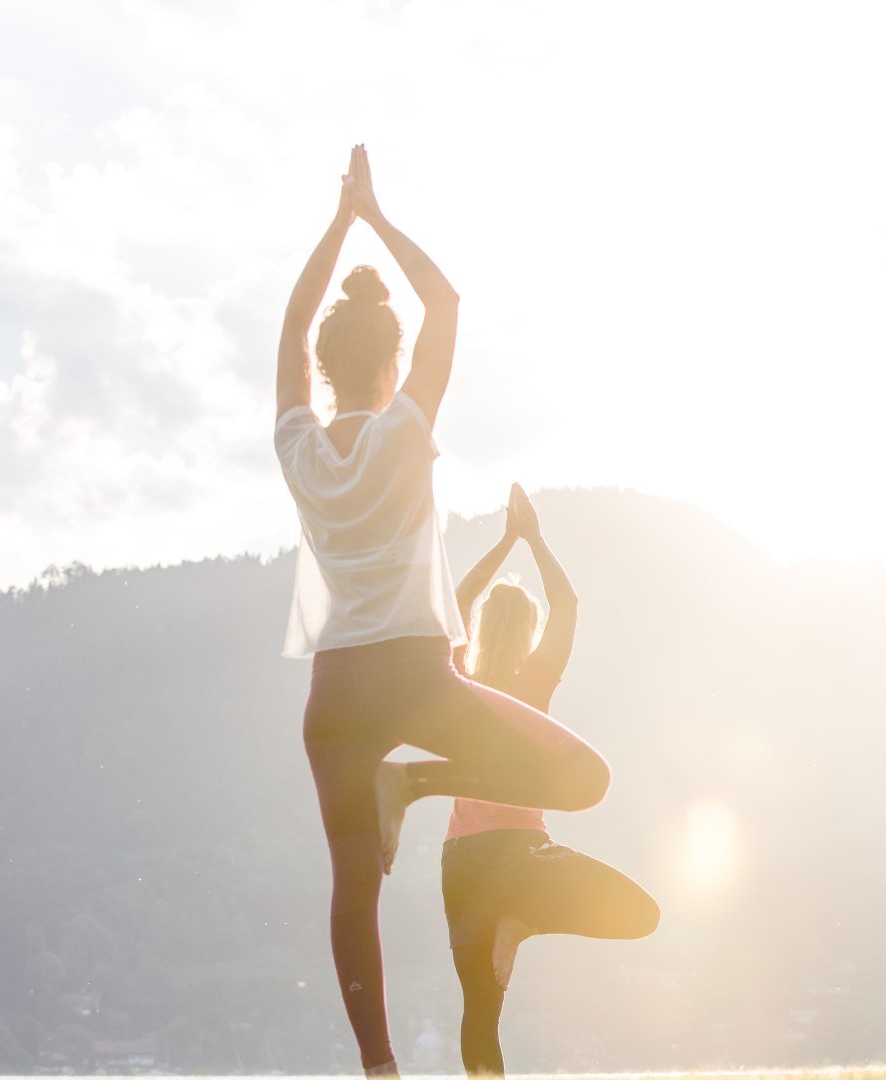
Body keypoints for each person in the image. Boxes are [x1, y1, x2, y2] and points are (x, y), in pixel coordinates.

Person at [275, 146, 612, 1078]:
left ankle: (379, 1069)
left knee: (352, 888)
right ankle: (415, 785)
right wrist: (375, 215)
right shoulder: (404, 430)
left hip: (336, 691)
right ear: (391, 364)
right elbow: (447, 306)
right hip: (418, 678)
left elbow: (297, 320)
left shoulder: (295, 440)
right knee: (583, 779)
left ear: (322, 365)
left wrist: (337, 226)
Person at [439, 483, 660, 1076]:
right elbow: (568, 604)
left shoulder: (457, 686)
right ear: (530, 633)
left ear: (480, 631)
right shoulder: (533, 687)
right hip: (520, 852)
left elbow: (455, 600)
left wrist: (501, 543)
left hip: (460, 861)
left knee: (480, 1012)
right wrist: (532, 537)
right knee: (641, 915)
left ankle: (517, 923)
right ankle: (526, 921)